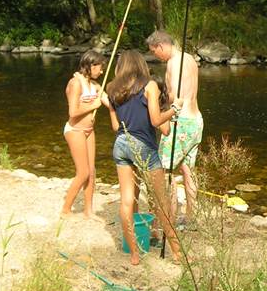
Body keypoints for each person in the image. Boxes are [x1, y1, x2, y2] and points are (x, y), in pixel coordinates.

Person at [107, 50, 182, 264]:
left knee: (127, 200)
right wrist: (174, 109)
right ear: (140, 65)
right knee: (161, 202)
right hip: (143, 146)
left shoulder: (111, 89)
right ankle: (177, 253)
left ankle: (133, 254)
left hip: (121, 144)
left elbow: (115, 126)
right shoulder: (149, 86)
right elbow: (156, 120)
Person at [146, 30, 203, 225]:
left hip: (181, 122)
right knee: (188, 170)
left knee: (165, 171)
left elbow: (176, 97)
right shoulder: (190, 59)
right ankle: (191, 217)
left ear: (161, 45)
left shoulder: (173, 63)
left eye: (154, 51)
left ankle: (168, 219)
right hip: (196, 120)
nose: (155, 55)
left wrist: (154, 96)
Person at [60, 50, 109, 218]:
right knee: (83, 172)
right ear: (91, 65)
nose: (101, 72)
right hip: (75, 131)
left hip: (89, 131)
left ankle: (88, 211)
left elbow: (109, 103)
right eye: (100, 68)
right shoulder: (75, 83)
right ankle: (65, 210)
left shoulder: (94, 85)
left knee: (91, 171)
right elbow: (73, 112)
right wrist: (93, 105)